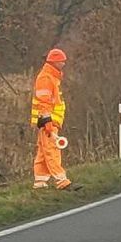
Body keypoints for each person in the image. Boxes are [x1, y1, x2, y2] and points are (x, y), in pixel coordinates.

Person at [30, 47, 78, 190]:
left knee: (43, 152)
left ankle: (40, 183)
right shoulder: (46, 78)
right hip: (48, 121)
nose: (64, 64)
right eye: (61, 61)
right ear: (55, 62)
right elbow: (44, 102)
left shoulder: (51, 77)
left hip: (49, 121)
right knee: (52, 150)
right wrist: (48, 122)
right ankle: (62, 181)